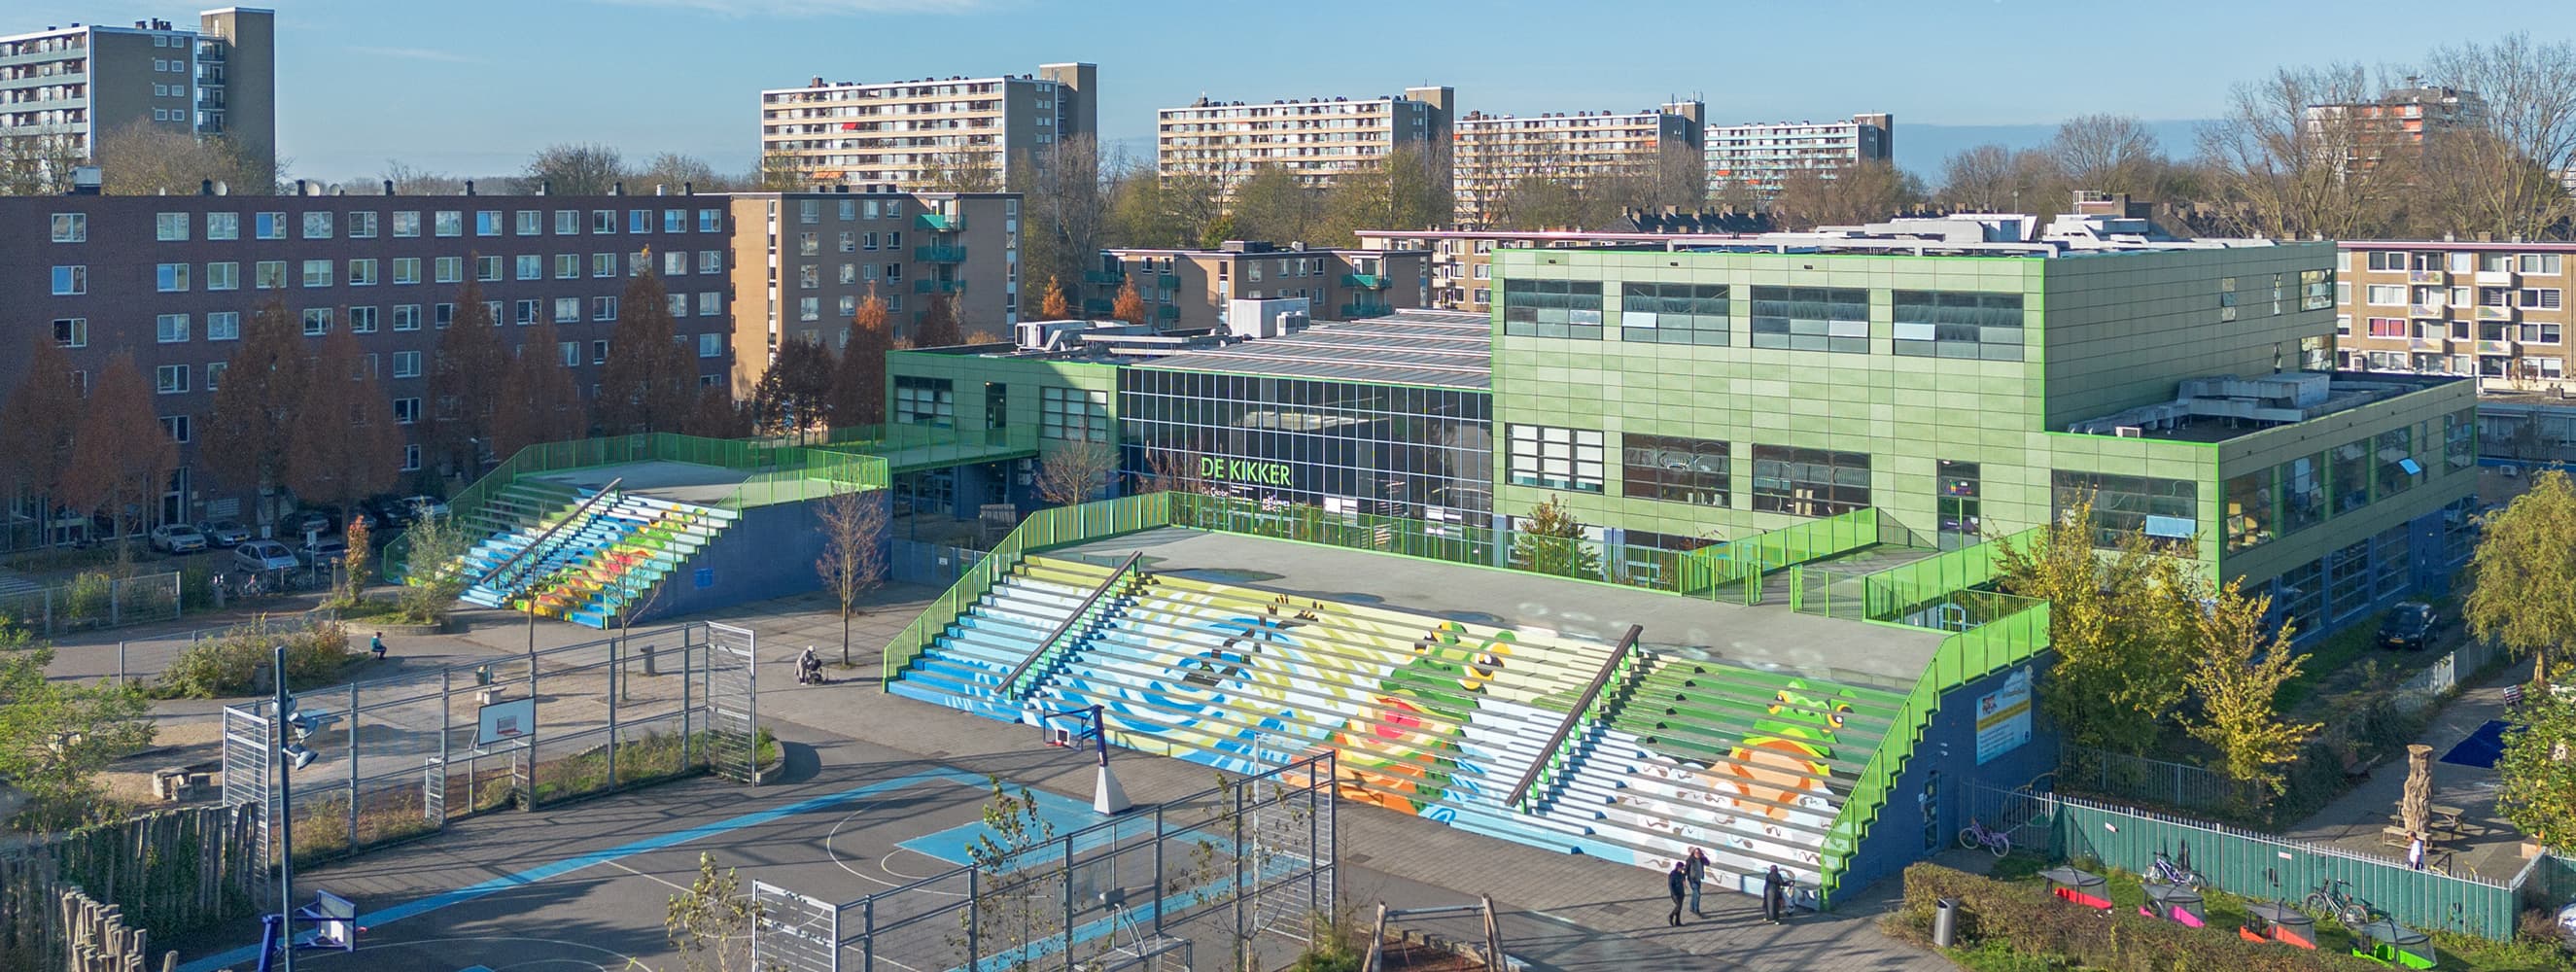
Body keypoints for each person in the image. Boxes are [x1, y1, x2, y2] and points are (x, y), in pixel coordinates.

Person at [1685, 848, 1709, 918]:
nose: (1698, 854)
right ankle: (1696, 910)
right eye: (1696, 853)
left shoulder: (1701, 859)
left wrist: (1703, 856)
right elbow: (1685, 870)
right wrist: (1683, 880)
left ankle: (1692, 908)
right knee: (1698, 894)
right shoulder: (1690, 860)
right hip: (1692, 880)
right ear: (1693, 853)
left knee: (1695, 893)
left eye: (1699, 853)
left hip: (1698, 879)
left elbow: (1707, 863)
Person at [1666, 861, 1688, 926]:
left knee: (1679, 908)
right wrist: (1674, 894)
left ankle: (1677, 922)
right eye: (1682, 868)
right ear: (1678, 867)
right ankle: (1671, 916)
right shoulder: (1673, 875)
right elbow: (1670, 885)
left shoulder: (1681, 873)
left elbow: (1683, 876)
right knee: (1678, 906)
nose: (1683, 869)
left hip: (1681, 893)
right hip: (1676, 894)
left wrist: (1684, 882)